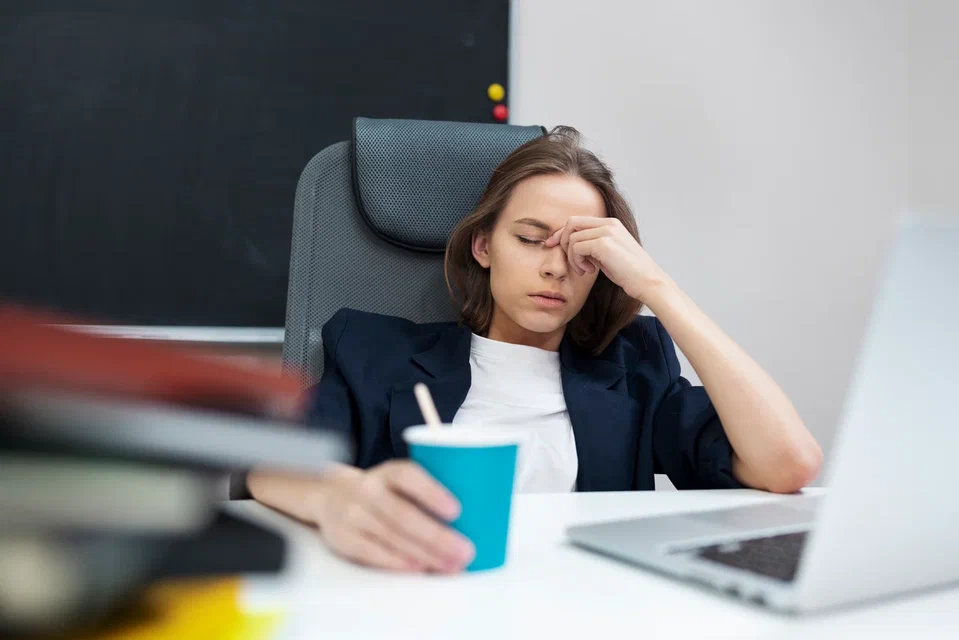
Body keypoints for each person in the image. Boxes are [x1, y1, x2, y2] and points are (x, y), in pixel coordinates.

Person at [246, 127, 823, 574]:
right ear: (483, 246)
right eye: (529, 238)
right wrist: (338, 498)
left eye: (582, 253)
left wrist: (657, 287)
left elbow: (788, 463)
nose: (555, 267)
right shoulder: (376, 352)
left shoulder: (634, 369)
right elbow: (266, 466)